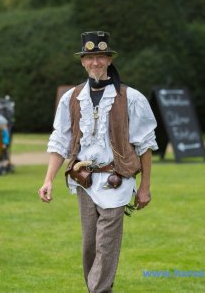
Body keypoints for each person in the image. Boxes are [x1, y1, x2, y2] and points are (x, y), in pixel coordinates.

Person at [38, 31, 158, 292]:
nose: (95, 62)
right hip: (84, 181)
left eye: (101, 56)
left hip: (117, 182)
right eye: (90, 57)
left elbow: (146, 145)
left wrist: (145, 187)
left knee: (106, 245)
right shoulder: (71, 98)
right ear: (82, 61)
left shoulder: (131, 98)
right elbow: (59, 141)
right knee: (89, 247)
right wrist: (48, 179)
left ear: (109, 59)